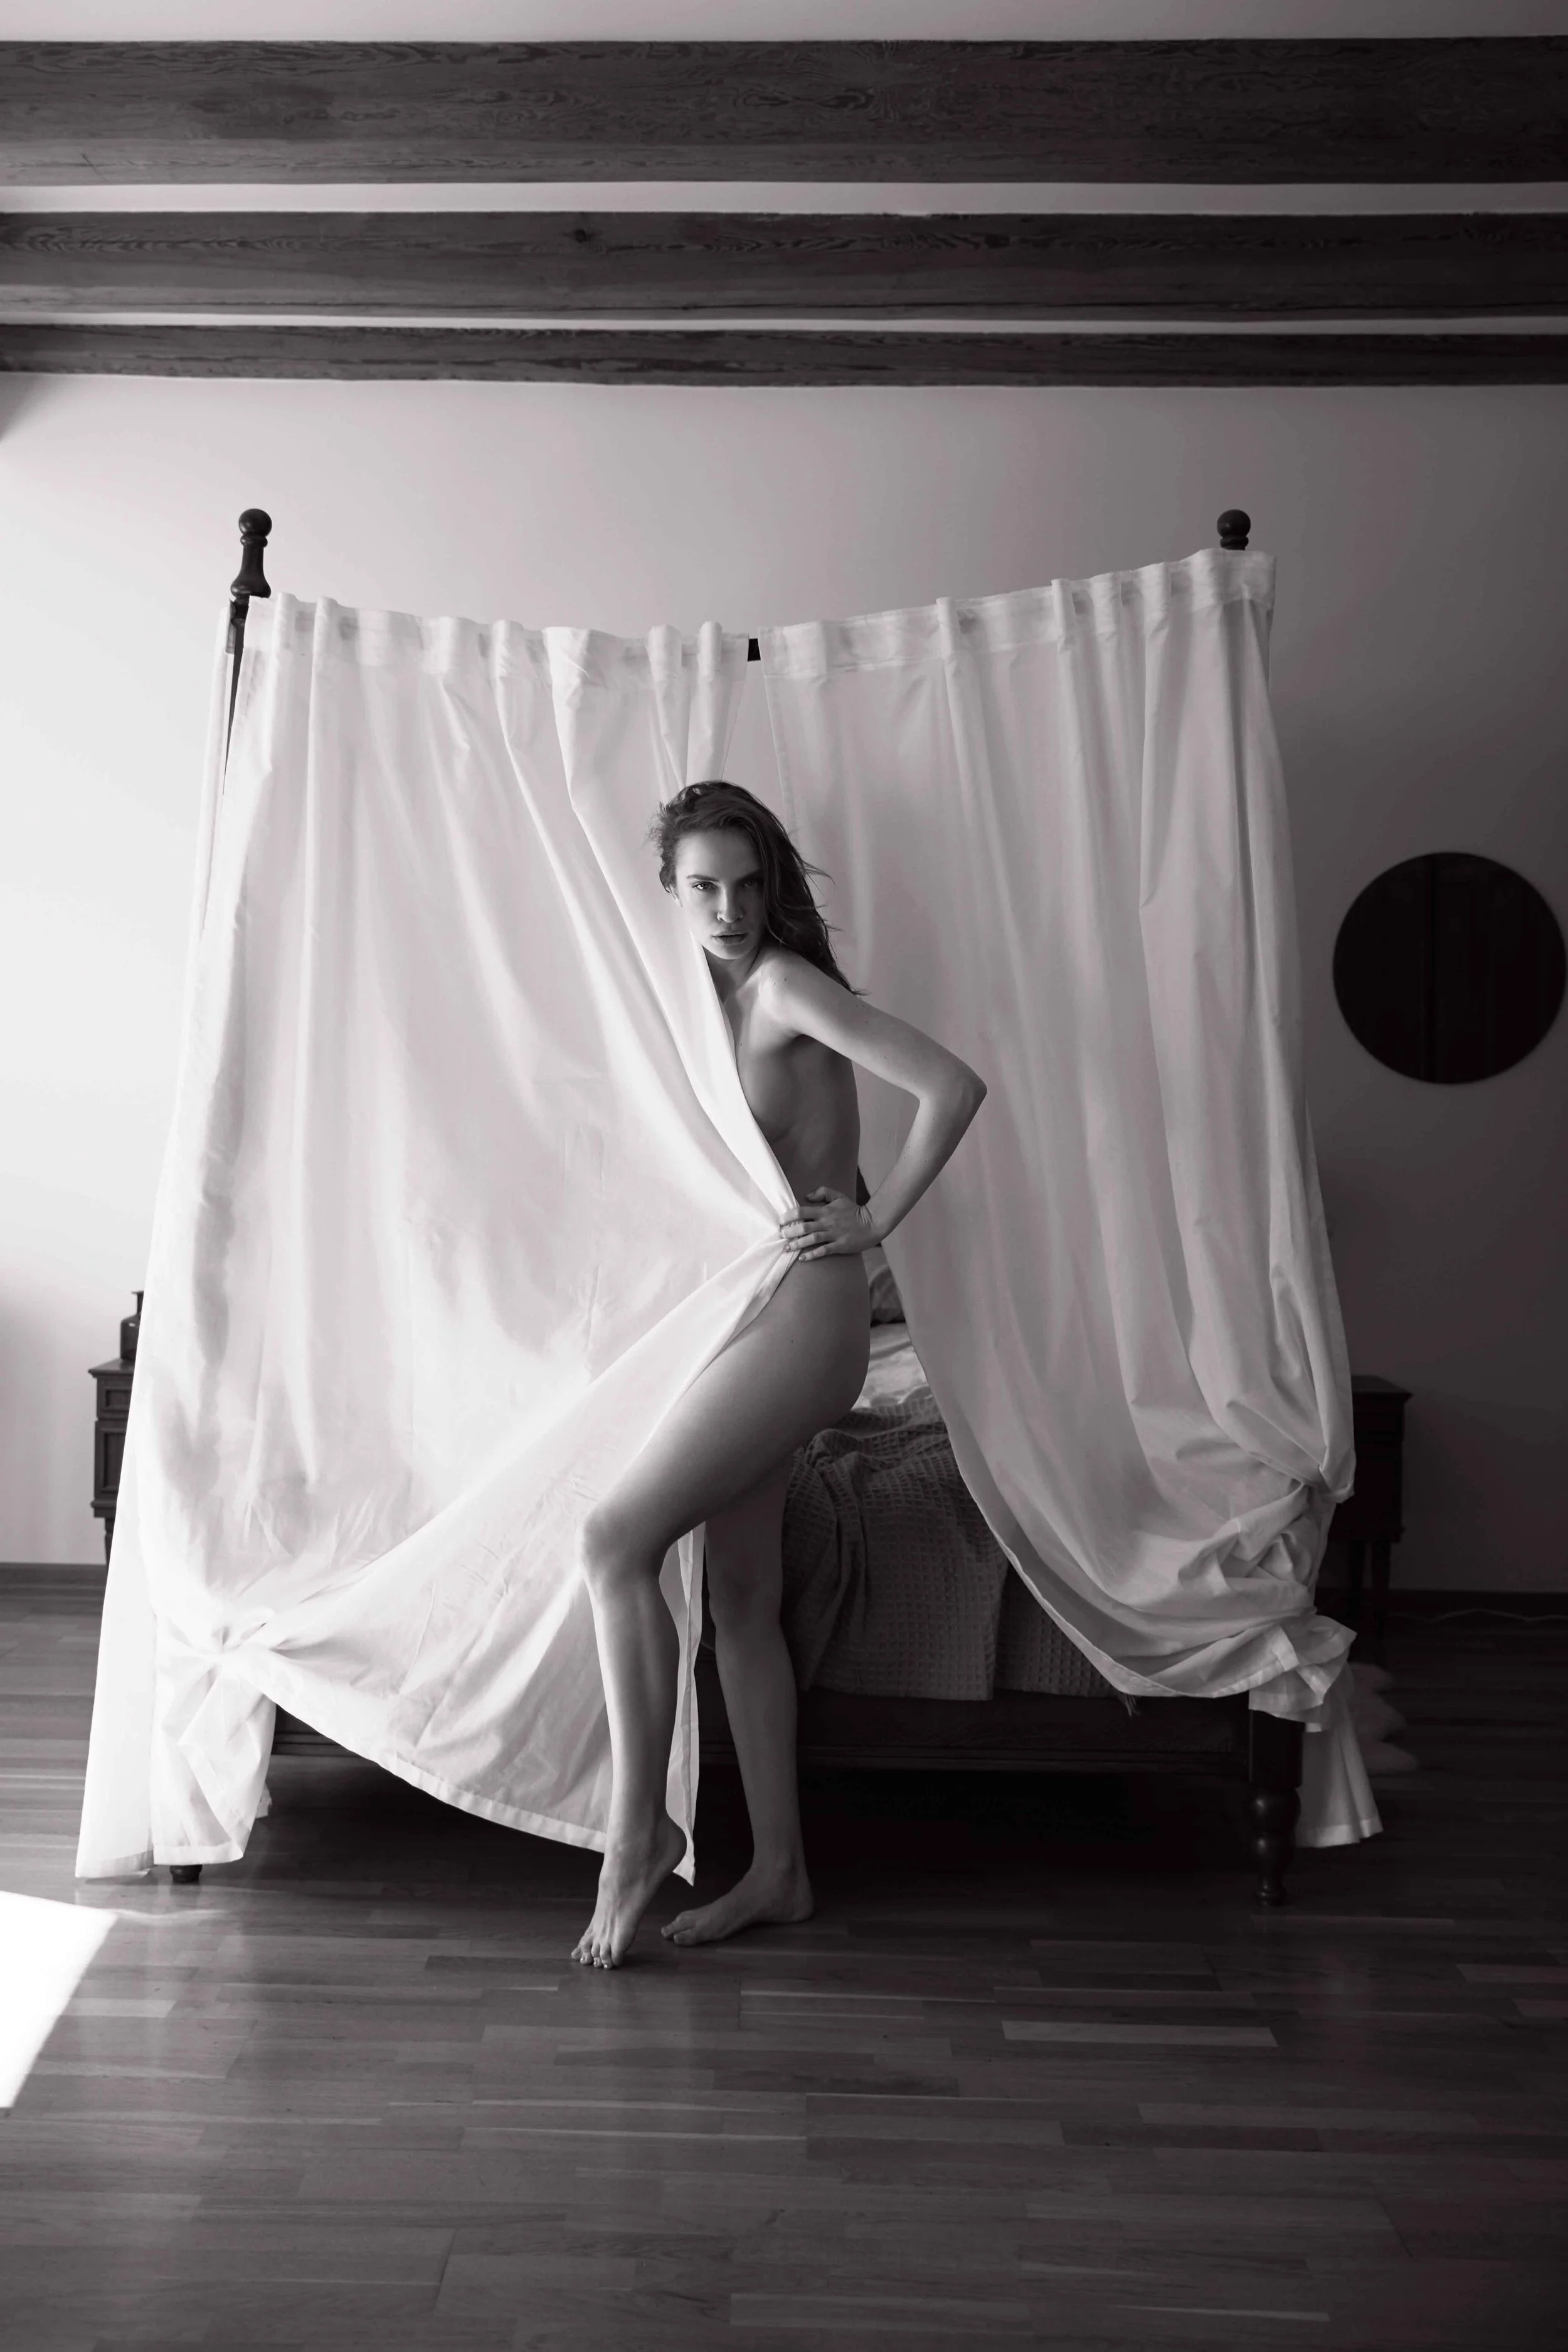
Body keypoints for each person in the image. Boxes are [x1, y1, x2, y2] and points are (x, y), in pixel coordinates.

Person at [571, 780, 986, 1968]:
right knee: (744, 1602)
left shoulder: (783, 987)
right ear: (670, 890)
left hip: (806, 1319)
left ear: (773, 886)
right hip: (749, 1312)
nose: (730, 908)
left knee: (613, 1541)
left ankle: (637, 1834)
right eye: (705, 886)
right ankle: (782, 1872)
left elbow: (953, 1085)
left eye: (749, 884)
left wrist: (874, 1219)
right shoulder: (696, 1005)